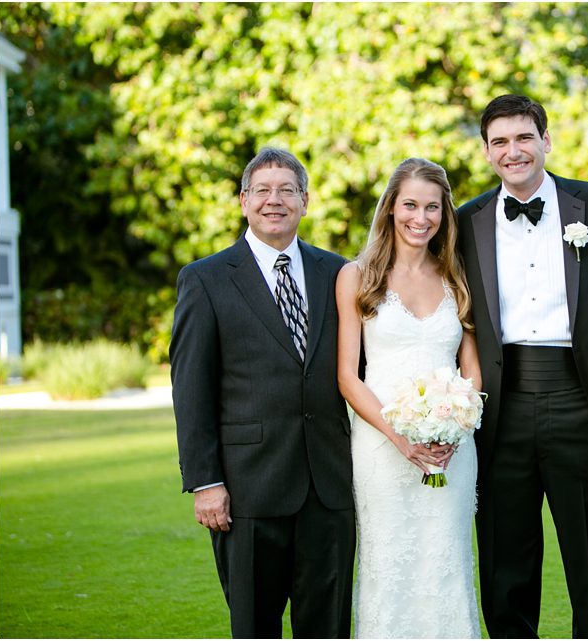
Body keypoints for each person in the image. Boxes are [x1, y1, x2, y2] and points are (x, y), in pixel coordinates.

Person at [457, 94, 588, 638]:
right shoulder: (466, 222)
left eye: (523, 138)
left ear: (545, 141)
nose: (513, 151)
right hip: (500, 405)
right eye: (500, 142)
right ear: (488, 153)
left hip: (582, 400)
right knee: (504, 559)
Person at [171, 147, 355, 638]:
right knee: (254, 626)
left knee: (329, 627)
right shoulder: (205, 279)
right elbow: (191, 389)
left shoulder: (339, 273)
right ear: (243, 200)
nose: (275, 201)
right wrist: (205, 481)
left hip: (329, 485)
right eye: (263, 191)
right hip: (248, 488)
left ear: (306, 201)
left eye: (287, 190)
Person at [336, 157, 482, 638]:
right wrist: (400, 438)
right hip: (381, 448)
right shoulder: (357, 277)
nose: (421, 218)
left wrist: (458, 428)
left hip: (451, 450)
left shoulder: (456, 276)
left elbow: (472, 368)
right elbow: (347, 377)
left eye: (433, 208)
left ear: (445, 214)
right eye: (410, 205)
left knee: (446, 560)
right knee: (389, 563)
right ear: (390, 209)